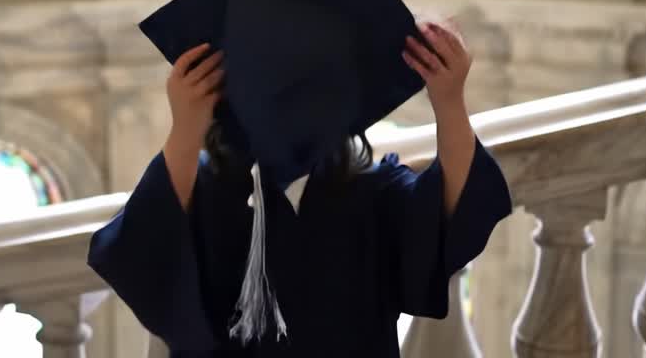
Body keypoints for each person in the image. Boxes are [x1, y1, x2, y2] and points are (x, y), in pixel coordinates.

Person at [87, 18, 511, 356]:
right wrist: (186, 129)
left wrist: (449, 102)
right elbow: (140, 251)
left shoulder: (368, 191)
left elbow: (451, 213)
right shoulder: (211, 188)